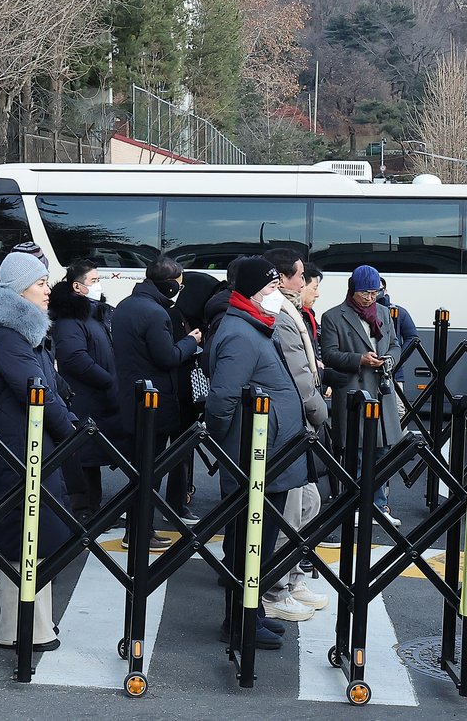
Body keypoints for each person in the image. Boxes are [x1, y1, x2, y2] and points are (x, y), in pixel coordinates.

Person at [206, 256, 311, 647]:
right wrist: (221, 445)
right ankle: (240, 624)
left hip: (269, 453)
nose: (275, 294)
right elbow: (222, 399)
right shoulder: (240, 332)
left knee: (257, 542)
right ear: (251, 291)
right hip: (257, 456)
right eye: (269, 288)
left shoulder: (252, 326)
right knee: (250, 543)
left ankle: (251, 614)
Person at [0, 250, 77, 651]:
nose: (48, 289)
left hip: (26, 443)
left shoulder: (22, 331)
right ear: (19, 289)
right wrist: (68, 427)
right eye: (40, 283)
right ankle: (24, 631)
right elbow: (37, 392)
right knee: (24, 533)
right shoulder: (8, 336)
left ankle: (33, 627)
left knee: (33, 533)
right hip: (19, 447)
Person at [113, 256, 202, 550]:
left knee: (140, 469)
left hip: (131, 397)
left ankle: (137, 530)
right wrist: (191, 341)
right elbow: (168, 357)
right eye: (179, 285)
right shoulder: (156, 313)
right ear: (167, 286)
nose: (181, 289)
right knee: (149, 472)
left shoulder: (126, 306)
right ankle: (141, 533)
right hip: (155, 401)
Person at [263, 248, 330, 617]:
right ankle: (274, 589)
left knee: (308, 502)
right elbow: (299, 377)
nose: (307, 284)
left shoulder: (293, 313)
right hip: (289, 425)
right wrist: (321, 411)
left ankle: (287, 578)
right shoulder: (282, 316)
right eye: (301, 276)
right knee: (292, 507)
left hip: (296, 423)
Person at [320, 264, 405, 527]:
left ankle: (378, 506)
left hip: (382, 389)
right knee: (356, 452)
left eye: (375, 292)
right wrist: (360, 359)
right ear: (352, 290)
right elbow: (329, 354)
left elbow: (394, 343)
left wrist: (389, 359)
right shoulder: (333, 316)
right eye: (365, 292)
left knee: (382, 452)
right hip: (354, 391)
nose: (370, 297)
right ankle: (357, 504)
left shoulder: (383, 312)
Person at [48, 260, 122, 522]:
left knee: (91, 457)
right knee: (83, 456)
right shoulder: (72, 318)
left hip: (96, 398)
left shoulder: (91, 313)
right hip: (84, 399)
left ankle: (92, 509)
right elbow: (73, 358)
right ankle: (81, 513)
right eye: (93, 280)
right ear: (77, 287)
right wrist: (108, 380)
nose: (98, 285)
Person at [377, 277, 418, 411]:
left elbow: (412, 337)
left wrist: (397, 357)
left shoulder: (399, 312)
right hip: (370, 369)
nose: (375, 294)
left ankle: (399, 433)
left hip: (394, 372)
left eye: (379, 290)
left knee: (398, 409)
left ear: (386, 290)